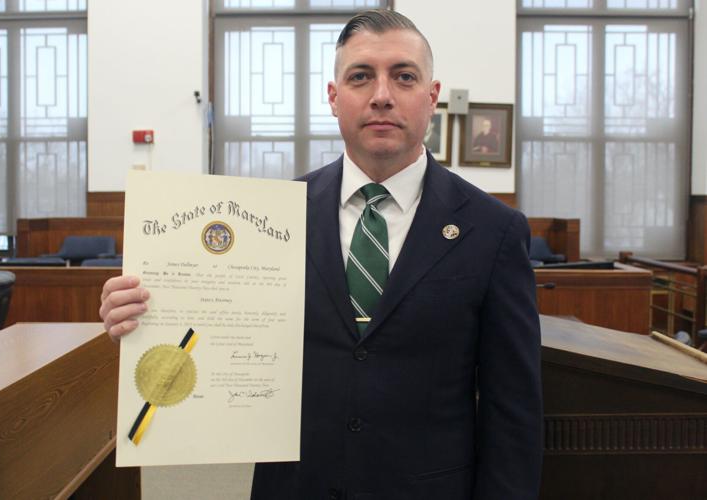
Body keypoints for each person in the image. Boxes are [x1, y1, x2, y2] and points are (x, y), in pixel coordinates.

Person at [101, 9, 542, 500]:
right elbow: (212, 324)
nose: (381, 95)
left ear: (431, 97)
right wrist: (144, 312)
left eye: (404, 76)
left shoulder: (494, 232)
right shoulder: (270, 222)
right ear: (334, 98)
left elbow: (513, 410)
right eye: (360, 76)